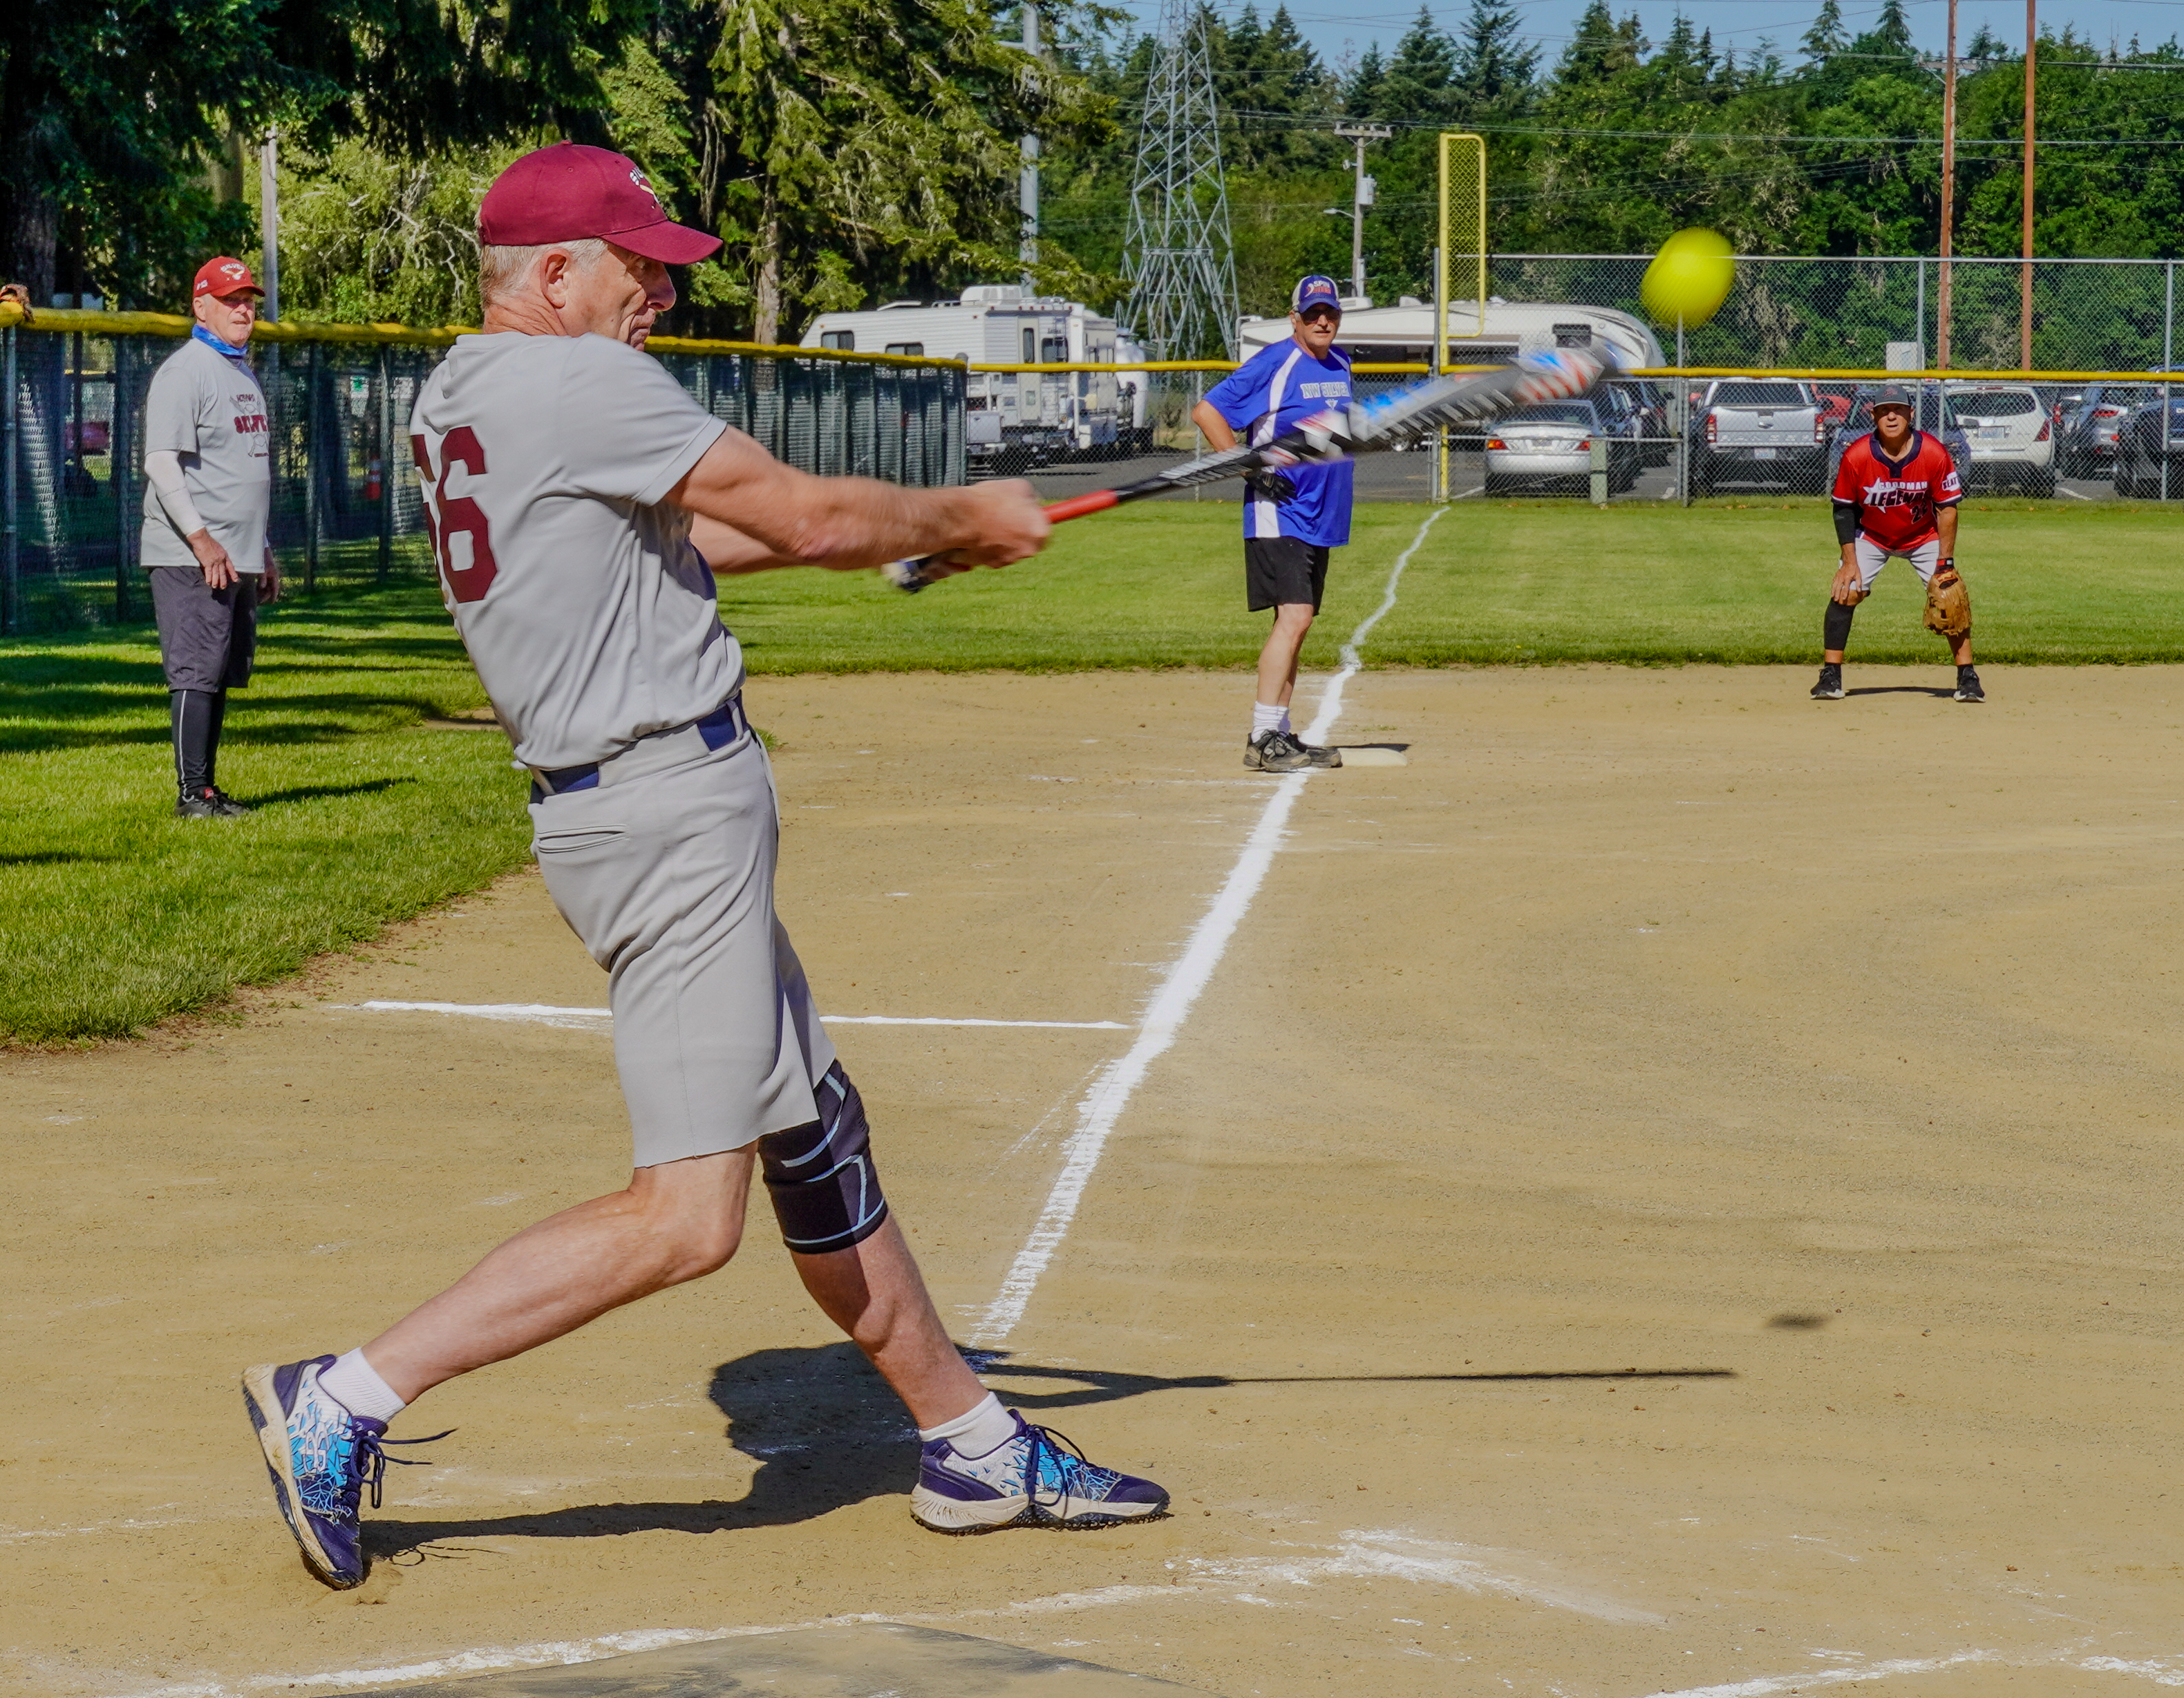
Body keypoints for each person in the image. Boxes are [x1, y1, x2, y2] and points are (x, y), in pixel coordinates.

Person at [239, 143, 1170, 1592]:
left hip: (633, 804)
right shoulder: (581, 381)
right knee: (688, 1218)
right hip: (663, 810)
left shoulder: (468, 390)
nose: (663, 292)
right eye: (640, 266)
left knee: (813, 1132)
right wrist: (955, 515)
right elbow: (800, 510)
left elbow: (702, 542)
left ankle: (970, 1441)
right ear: (554, 273)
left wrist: (900, 545)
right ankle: (346, 1395)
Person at [1192, 274, 1356, 773]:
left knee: (1297, 625)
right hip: (1278, 511)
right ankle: (1263, 736)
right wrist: (1248, 468)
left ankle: (1281, 732)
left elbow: (1328, 434)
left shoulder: (1341, 363)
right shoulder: (1275, 362)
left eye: (1329, 312)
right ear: (1294, 319)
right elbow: (1207, 411)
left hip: (1318, 513)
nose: (1322, 320)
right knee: (1295, 617)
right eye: (1312, 314)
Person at [141, 256, 278, 818]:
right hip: (192, 552)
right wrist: (200, 539)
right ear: (201, 307)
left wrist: (261, 546)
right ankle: (190, 792)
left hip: (233, 552)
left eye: (248, 299)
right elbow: (161, 462)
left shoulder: (239, 369)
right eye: (230, 300)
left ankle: (206, 788)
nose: (243, 308)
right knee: (196, 670)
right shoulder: (186, 370)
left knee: (219, 669)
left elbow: (244, 467)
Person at [1814, 384, 1982, 704]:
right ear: (1874, 416)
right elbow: (1843, 509)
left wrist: (1945, 562)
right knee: (1845, 591)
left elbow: (1947, 508)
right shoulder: (1857, 455)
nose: (1891, 416)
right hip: (1872, 536)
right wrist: (1849, 562)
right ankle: (1830, 676)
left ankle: (1968, 677)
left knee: (1950, 594)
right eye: (1884, 411)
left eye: (1898, 409)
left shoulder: (1933, 452)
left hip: (1921, 536)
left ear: (1911, 414)